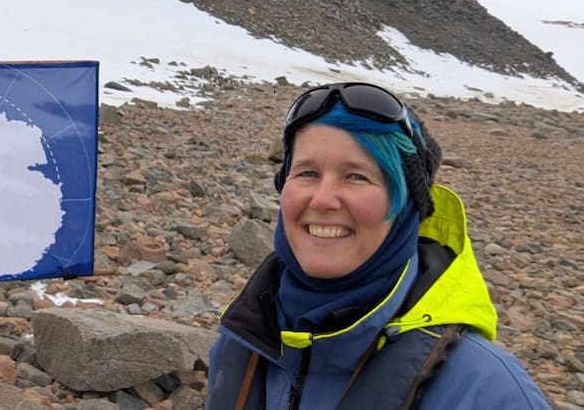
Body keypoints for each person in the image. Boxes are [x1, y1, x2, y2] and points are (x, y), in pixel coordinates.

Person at [207, 82, 549, 409]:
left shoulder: (486, 390)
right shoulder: (241, 342)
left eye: (357, 176)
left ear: (407, 207)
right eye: (307, 173)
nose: (323, 199)